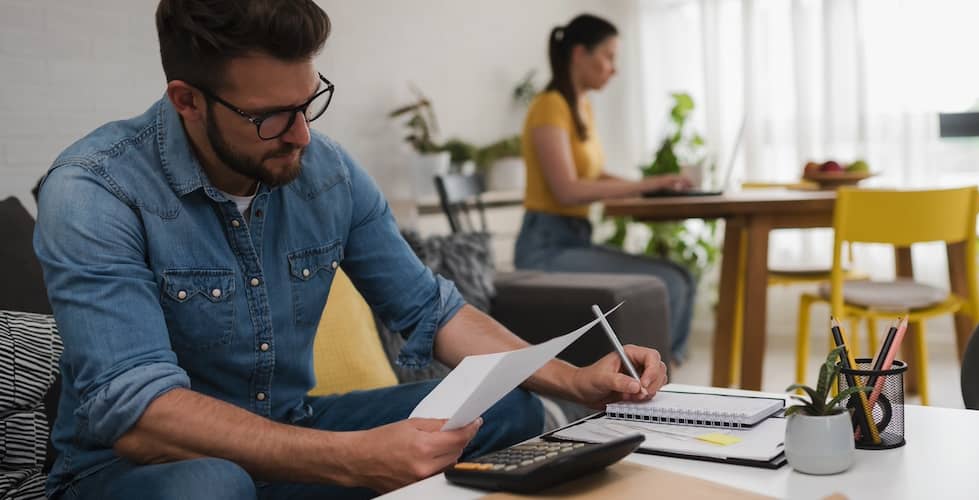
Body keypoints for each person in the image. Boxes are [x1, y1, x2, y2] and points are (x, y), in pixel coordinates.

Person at [33, 2, 667, 499]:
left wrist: (576, 381)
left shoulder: (326, 172)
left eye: (308, 102)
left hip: (293, 431)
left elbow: (431, 310)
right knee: (212, 482)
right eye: (271, 117)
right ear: (188, 101)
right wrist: (353, 459)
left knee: (512, 408)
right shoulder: (95, 191)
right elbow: (139, 415)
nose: (302, 135)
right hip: (137, 473)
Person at [514, 14, 697, 363]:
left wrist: (655, 184)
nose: (614, 69)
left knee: (682, 276)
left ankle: (661, 375)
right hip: (545, 248)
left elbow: (594, 175)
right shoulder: (549, 105)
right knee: (669, 283)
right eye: (609, 56)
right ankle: (657, 382)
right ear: (580, 53)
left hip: (573, 239)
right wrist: (643, 184)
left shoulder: (581, 106)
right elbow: (566, 190)